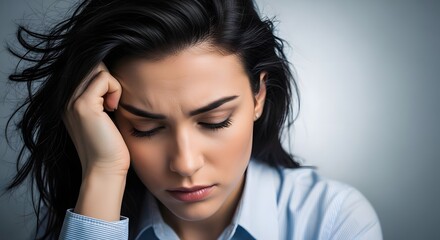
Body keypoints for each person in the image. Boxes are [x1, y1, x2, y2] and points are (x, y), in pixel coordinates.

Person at [4, 0, 382, 239]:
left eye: (215, 121)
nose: (185, 164)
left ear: (258, 97)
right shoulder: (88, 219)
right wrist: (103, 171)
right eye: (146, 128)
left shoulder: (331, 220)